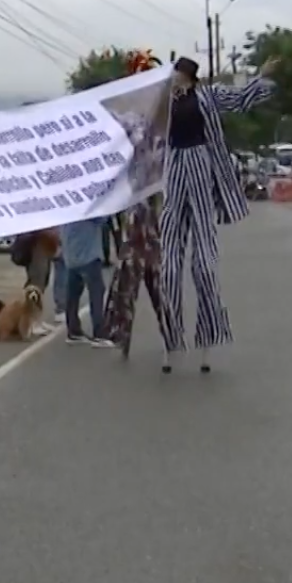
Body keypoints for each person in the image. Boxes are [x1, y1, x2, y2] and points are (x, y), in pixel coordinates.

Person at [158, 56, 277, 374]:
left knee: (205, 269)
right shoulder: (160, 102)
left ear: (190, 78)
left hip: (200, 168)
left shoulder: (208, 96)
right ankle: (171, 345)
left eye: (180, 75)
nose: (175, 79)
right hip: (173, 173)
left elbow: (239, 100)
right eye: (174, 74)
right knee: (168, 272)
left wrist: (261, 77)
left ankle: (207, 342)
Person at [102, 51, 169, 357]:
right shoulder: (129, 121)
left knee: (160, 275)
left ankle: (172, 331)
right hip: (135, 209)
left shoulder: (166, 121)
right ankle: (120, 335)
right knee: (129, 272)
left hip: (157, 209)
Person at [58, 216, 114, 347]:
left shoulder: (66, 213)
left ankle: (73, 331)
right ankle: (99, 333)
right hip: (89, 257)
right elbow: (104, 218)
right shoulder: (90, 211)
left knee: (72, 296)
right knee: (96, 293)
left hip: (71, 258)